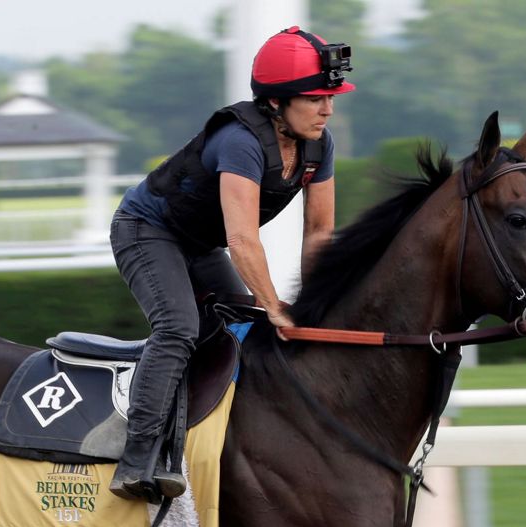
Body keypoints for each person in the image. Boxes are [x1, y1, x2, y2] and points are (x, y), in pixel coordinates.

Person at [108, 26, 353, 502]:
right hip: (146, 231)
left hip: (199, 244)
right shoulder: (240, 142)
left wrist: (314, 305)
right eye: (315, 98)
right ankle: (136, 459)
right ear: (278, 102)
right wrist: (276, 307)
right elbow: (242, 239)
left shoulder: (319, 145)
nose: (328, 109)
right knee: (179, 328)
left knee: (242, 330)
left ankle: (217, 445)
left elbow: (319, 233)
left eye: (331, 97)